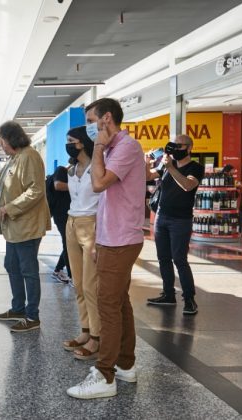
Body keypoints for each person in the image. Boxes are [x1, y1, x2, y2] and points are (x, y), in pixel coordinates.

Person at [67, 98, 145, 399]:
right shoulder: (115, 149)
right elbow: (106, 200)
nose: (89, 126)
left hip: (122, 238)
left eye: (91, 120)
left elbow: (99, 185)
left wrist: (98, 147)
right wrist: (99, 238)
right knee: (119, 301)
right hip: (111, 236)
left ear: (106, 119)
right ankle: (125, 364)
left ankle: (104, 374)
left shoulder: (125, 147)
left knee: (107, 304)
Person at [0, 121, 51, 332]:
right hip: (14, 229)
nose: (0, 145)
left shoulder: (29, 156)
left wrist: (9, 208)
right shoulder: (15, 158)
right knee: (12, 266)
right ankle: (18, 308)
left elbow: (36, 190)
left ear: (11, 139)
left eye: (2, 141)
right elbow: (0, 181)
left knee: (28, 270)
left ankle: (32, 316)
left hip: (26, 226)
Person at [146, 135, 203, 315]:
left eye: (180, 145)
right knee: (163, 258)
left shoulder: (196, 167)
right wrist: (147, 162)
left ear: (189, 148)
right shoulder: (165, 164)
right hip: (161, 216)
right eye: (174, 145)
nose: (176, 148)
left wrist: (170, 168)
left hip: (181, 219)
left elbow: (188, 185)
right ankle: (168, 294)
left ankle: (189, 299)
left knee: (179, 259)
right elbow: (147, 176)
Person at [60, 126, 102, 361]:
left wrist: (98, 237)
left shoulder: (97, 168)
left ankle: (97, 336)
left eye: (71, 141)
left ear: (83, 143)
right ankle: (85, 330)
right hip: (71, 223)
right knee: (77, 283)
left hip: (91, 223)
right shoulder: (72, 169)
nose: (69, 145)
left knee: (90, 285)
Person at [50, 165, 72, 283]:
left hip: (70, 214)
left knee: (69, 244)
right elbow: (58, 185)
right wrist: (78, 186)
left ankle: (58, 270)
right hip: (61, 215)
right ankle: (71, 275)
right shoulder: (61, 170)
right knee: (68, 244)